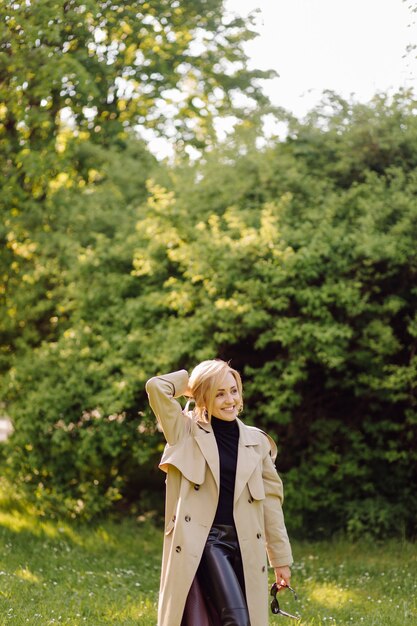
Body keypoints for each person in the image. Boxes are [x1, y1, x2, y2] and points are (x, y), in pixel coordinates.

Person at [145, 359, 293, 626]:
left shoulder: (257, 442)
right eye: (219, 393)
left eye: (234, 390)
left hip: (247, 542)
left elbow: (271, 504)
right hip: (208, 541)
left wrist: (280, 560)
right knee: (236, 619)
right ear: (203, 397)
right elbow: (156, 387)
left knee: (243, 616)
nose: (230, 400)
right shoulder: (184, 431)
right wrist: (192, 384)